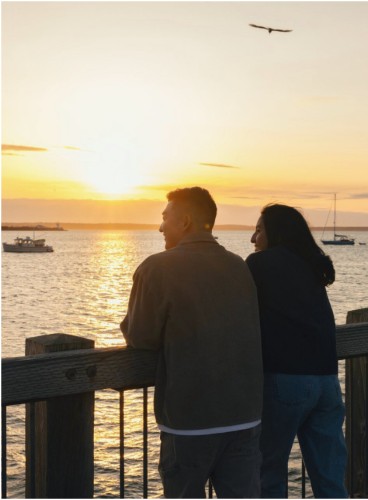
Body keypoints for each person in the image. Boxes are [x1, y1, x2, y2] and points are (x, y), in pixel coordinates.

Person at [120, 187, 263, 498]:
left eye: (165, 218)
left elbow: (141, 338)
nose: (160, 227)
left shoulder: (156, 268)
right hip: (244, 417)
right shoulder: (239, 266)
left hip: (189, 423)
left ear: (184, 222)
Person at [247, 203, 348, 498]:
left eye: (258, 230)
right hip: (327, 381)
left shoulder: (260, 264)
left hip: (284, 379)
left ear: (274, 232)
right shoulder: (311, 264)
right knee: (330, 478)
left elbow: (237, 312)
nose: (253, 239)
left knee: (268, 472)